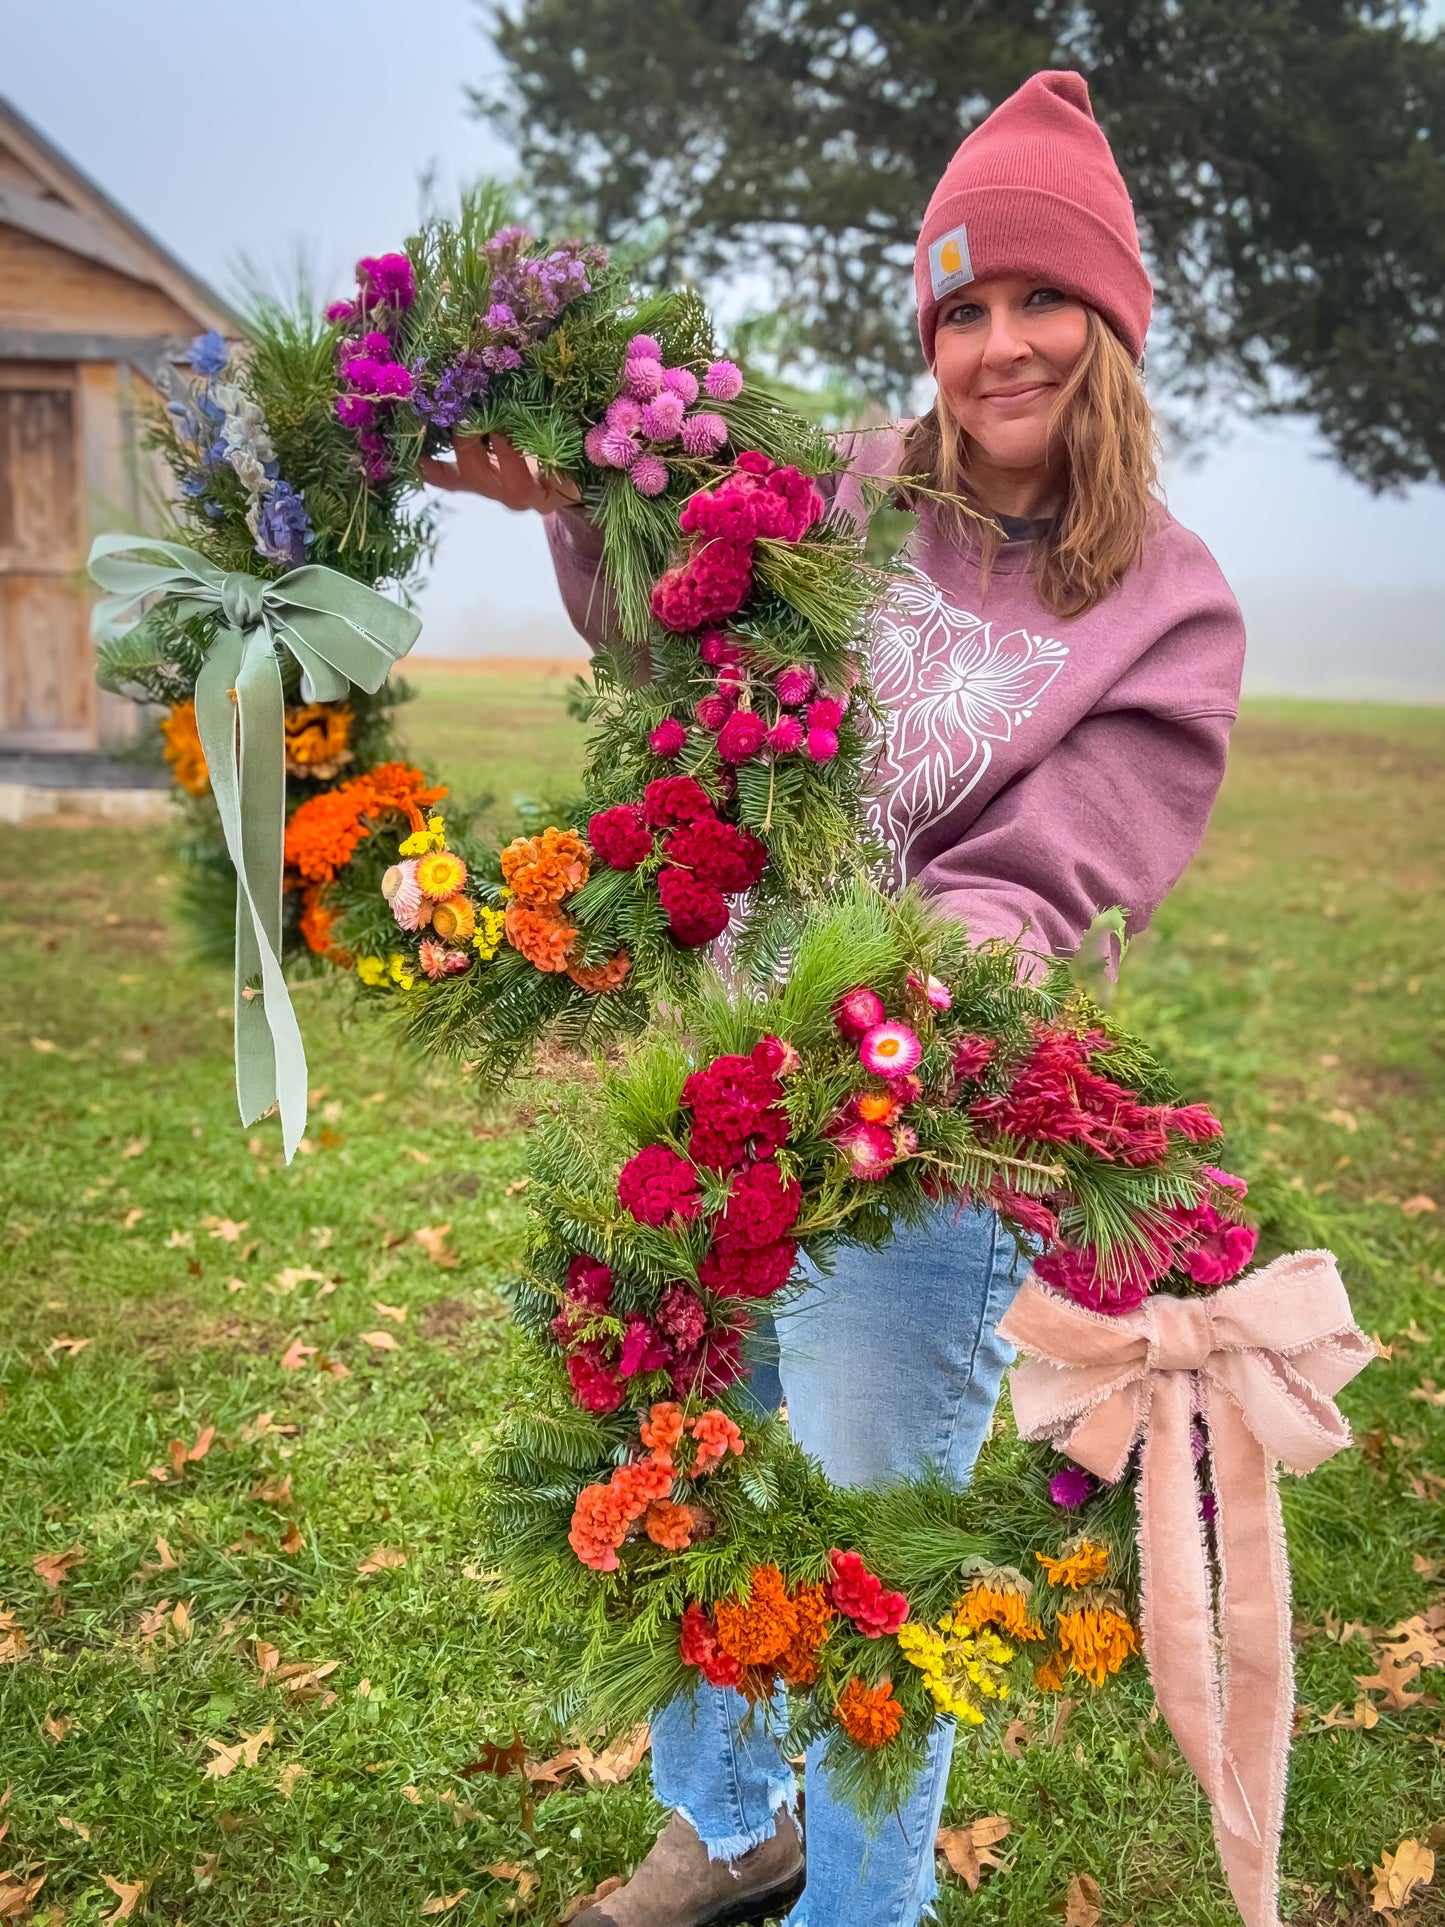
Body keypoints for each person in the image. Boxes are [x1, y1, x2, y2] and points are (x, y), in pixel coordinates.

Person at [422, 67, 1245, 1927]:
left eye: (1039, 300)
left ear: (1110, 323)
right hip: (713, 1096)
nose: (997, 343)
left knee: (872, 1548)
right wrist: (587, 510)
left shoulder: (1167, 607)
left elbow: (1042, 880)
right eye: (962, 308)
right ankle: (723, 1829)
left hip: (912, 1129)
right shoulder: (854, 487)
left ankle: (864, 1903)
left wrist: (869, 1016)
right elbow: (677, 630)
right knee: (685, 1462)